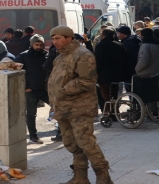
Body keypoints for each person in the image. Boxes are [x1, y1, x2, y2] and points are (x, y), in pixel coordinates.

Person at [46, 26, 112, 184]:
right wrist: (53, 103)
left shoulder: (83, 55)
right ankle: (80, 177)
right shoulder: (60, 57)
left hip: (80, 108)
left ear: (69, 38)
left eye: (58, 38)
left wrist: (63, 90)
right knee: (71, 143)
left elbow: (87, 81)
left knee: (86, 142)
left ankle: (103, 176)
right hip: (63, 107)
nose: (55, 42)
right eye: (53, 38)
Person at [15, 34, 49, 144]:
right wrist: (25, 87)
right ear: (31, 45)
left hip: (44, 89)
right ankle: (33, 136)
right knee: (31, 114)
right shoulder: (23, 56)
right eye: (36, 44)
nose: (39, 47)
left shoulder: (46, 55)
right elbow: (16, 73)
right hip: (31, 90)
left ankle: (60, 132)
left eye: (41, 45)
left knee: (58, 108)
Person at [94, 29, 129, 106]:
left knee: (105, 95)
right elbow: (125, 59)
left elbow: (98, 61)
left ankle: (108, 111)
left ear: (103, 36)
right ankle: (115, 110)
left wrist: (96, 73)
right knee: (114, 93)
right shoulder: (120, 45)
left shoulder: (100, 45)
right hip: (117, 73)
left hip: (104, 74)